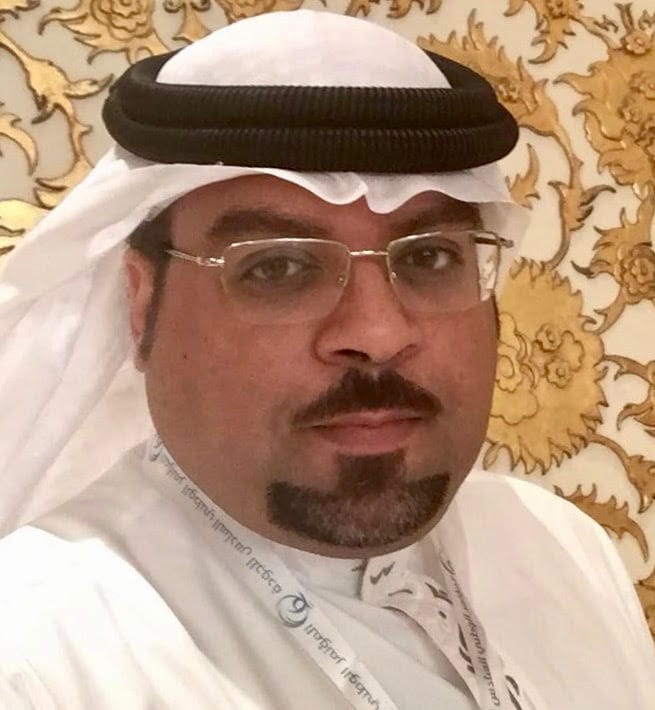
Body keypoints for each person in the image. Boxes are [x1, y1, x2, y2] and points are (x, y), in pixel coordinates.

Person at [0, 10, 652, 710]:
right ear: (141, 302)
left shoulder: (558, 544)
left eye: (431, 257)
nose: (377, 333)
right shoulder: (35, 653)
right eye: (278, 268)